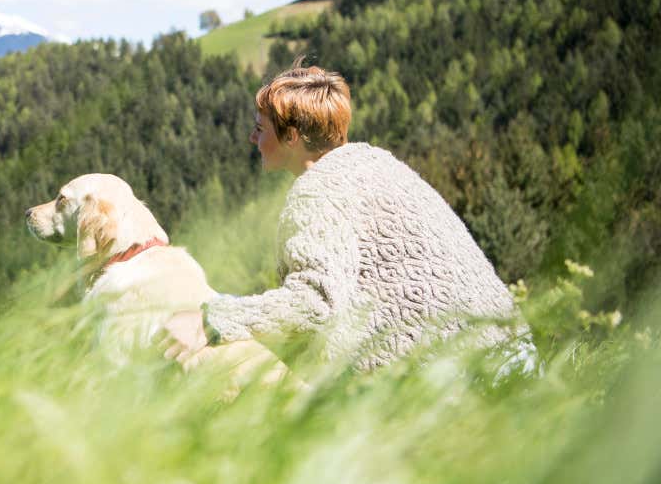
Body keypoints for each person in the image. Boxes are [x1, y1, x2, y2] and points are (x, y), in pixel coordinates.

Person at [161, 59, 536, 377]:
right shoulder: (377, 164)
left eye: (261, 129)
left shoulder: (318, 190)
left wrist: (210, 321)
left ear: (292, 136)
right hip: (514, 359)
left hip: (465, 377)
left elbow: (315, 303)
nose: (252, 139)